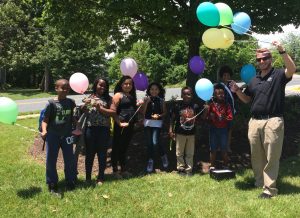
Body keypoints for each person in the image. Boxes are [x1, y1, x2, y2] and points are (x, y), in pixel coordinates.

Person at [230, 41, 296, 198]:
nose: (262, 61)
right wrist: (238, 91)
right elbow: (247, 100)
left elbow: (292, 69)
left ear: (270, 59)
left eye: (265, 58)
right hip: (254, 122)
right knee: (256, 155)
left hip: (273, 121)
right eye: (259, 59)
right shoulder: (254, 80)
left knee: (272, 156)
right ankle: (259, 182)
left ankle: (269, 189)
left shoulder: (279, 74)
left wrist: (282, 50)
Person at [41, 79, 77, 195]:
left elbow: (73, 118)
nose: (66, 90)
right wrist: (44, 131)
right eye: (63, 88)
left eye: (67, 88)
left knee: (69, 159)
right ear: (56, 88)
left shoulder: (71, 102)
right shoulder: (51, 104)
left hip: (67, 135)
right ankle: (52, 183)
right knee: (51, 160)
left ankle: (70, 180)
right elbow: (45, 120)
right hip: (53, 136)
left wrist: (78, 127)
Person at [81, 77, 114, 185]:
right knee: (89, 154)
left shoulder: (109, 99)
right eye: (100, 85)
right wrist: (84, 108)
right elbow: (86, 113)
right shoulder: (89, 97)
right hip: (90, 129)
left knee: (102, 154)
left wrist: (100, 108)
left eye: (104, 85)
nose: (102, 87)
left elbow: (112, 112)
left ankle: (100, 177)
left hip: (103, 130)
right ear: (95, 85)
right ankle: (88, 178)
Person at [110, 75, 138, 178]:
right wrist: (119, 123)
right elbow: (113, 112)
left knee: (124, 148)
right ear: (121, 85)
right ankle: (115, 171)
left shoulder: (131, 96)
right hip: (120, 126)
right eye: (125, 83)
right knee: (116, 147)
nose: (128, 85)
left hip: (129, 126)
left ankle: (123, 170)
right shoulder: (118, 95)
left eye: (130, 84)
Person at [169, 86, 200, 176]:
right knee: (179, 152)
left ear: (192, 96)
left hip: (191, 133)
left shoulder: (195, 106)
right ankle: (181, 168)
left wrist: (205, 110)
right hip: (180, 133)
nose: (186, 96)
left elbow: (200, 118)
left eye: (189, 94)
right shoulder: (177, 106)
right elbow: (172, 119)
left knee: (190, 153)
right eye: (184, 94)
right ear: (181, 95)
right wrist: (170, 130)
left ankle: (189, 170)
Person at [203, 83, 233, 170]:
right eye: (219, 94)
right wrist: (208, 113)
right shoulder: (211, 105)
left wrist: (224, 117)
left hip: (223, 130)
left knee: (224, 149)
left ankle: (226, 165)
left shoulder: (227, 105)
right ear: (214, 95)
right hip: (213, 129)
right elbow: (205, 118)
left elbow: (230, 118)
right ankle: (212, 166)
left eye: (223, 94)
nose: (221, 95)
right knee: (213, 149)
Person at [142, 82, 168, 173]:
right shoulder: (146, 99)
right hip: (147, 123)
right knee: (149, 143)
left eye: (156, 89)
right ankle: (150, 160)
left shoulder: (161, 100)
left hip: (157, 123)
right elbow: (143, 113)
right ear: (149, 90)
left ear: (159, 90)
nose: (154, 91)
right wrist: (146, 103)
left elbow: (165, 112)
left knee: (155, 142)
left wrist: (159, 115)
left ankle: (163, 155)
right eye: (152, 89)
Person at [218, 65, 237, 152]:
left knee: (229, 129)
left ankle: (227, 146)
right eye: (224, 75)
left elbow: (236, 97)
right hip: (220, 111)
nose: (226, 77)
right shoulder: (219, 86)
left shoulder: (232, 86)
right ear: (222, 76)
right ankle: (219, 146)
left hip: (230, 111)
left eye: (228, 75)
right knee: (220, 129)